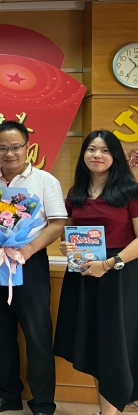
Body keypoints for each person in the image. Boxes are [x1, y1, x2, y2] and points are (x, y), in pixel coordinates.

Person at [0, 120, 66, 415]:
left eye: (15, 147)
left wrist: (28, 249)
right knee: (1, 332)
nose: (9, 153)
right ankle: (8, 394)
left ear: (28, 147)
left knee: (37, 334)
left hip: (30, 261)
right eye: (2, 148)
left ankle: (42, 402)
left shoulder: (45, 181)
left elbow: (58, 223)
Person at [54, 130, 138, 415]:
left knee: (114, 347)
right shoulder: (75, 193)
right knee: (92, 345)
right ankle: (105, 411)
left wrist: (108, 264)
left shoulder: (130, 192)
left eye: (104, 150)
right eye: (91, 149)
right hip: (83, 276)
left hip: (118, 277)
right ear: (84, 155)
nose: (97, 155)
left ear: (115, 156)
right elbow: (67, 231)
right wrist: (66, 246)